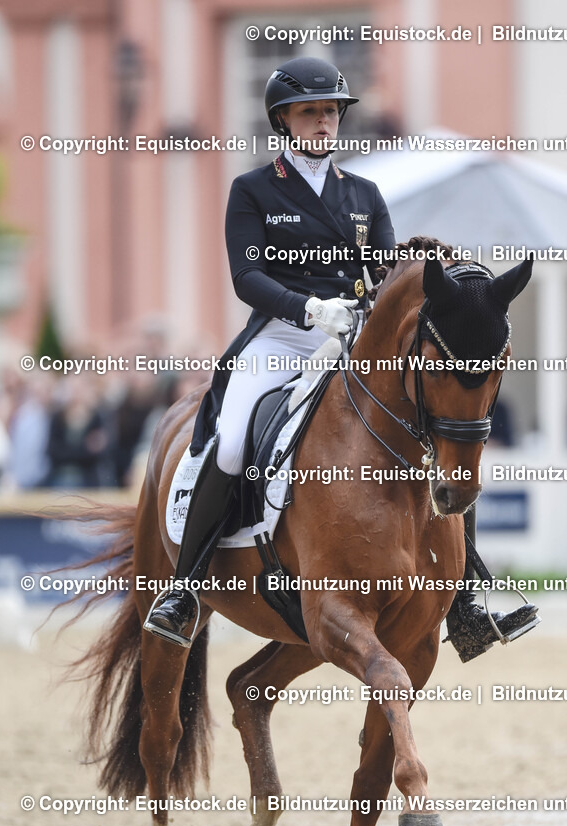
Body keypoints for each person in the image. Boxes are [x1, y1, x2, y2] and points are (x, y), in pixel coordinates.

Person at [144, 57, 538, 658]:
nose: (324, 122)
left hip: (351, 339)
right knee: (229, 439)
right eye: (311, 112)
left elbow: (378, 273)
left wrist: (412, 259)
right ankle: (186, 587)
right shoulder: (252, 190)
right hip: (280, 337)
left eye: (330, 111)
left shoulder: (364, 193)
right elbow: (247, 276)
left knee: (431, 430)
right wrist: (308, 309)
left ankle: (465, 600)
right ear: (283, 120)